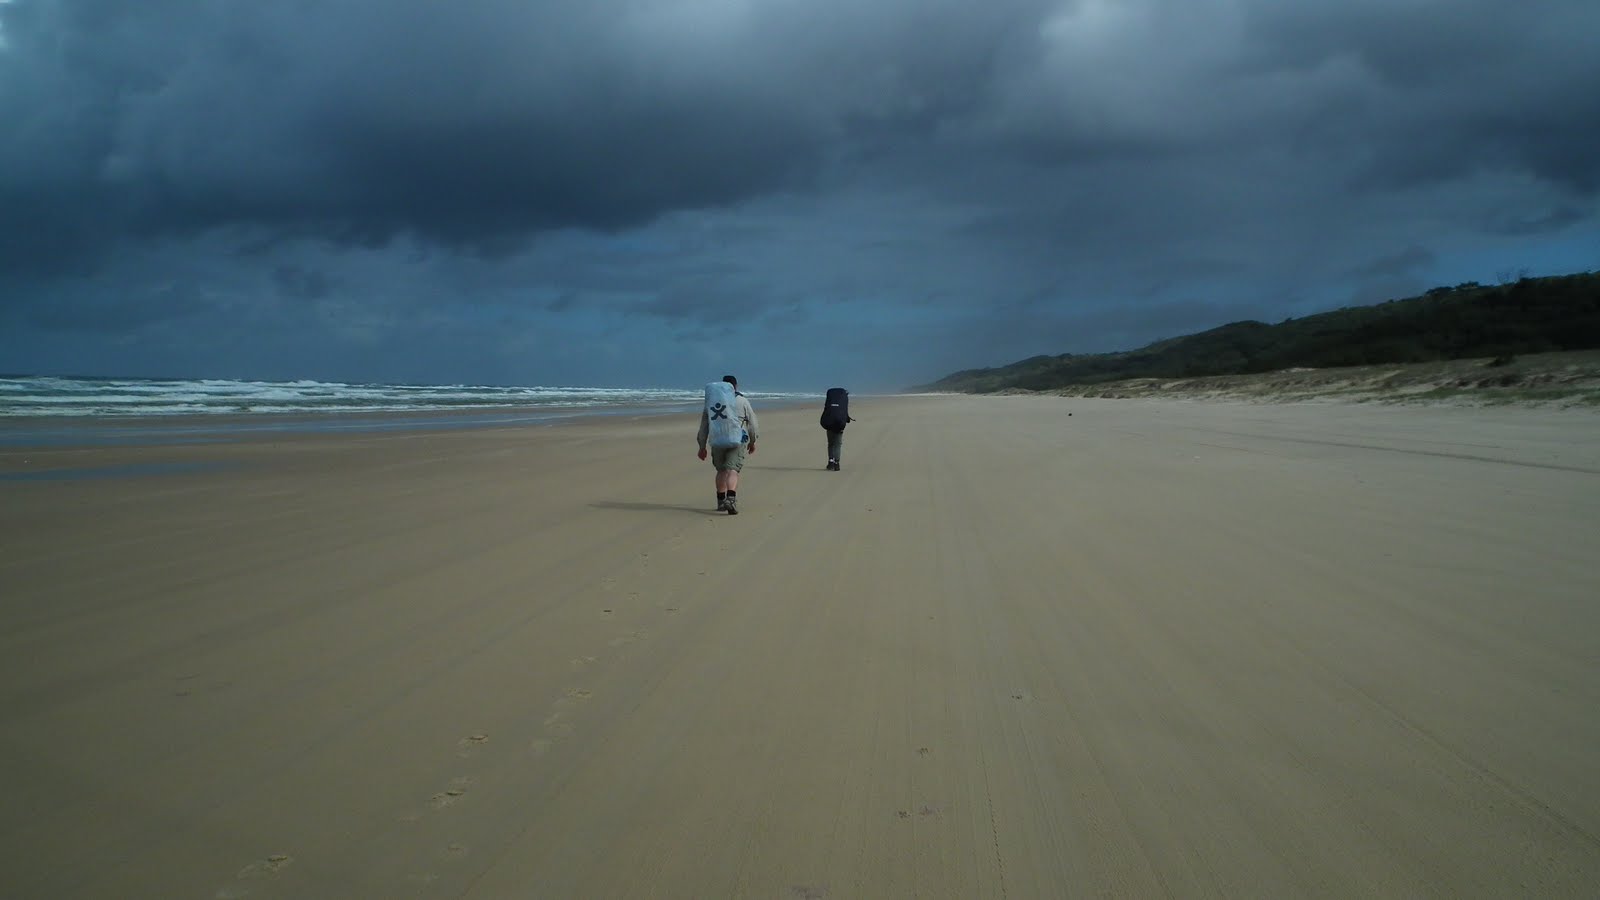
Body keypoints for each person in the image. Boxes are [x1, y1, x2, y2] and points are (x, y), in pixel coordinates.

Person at [697, 375, 759, 514]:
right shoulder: (742, 401)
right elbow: (753, 424)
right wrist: (753, 441)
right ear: (735, 386)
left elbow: (704, 425)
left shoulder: (712, 402)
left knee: (721, 471)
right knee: (732, 470)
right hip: (737, 440)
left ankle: (721, 501)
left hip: (717, 439)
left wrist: (702, 446)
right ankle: (730, 499)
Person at [819, 387, 853, 470]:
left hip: (829, 423)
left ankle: (830, 462)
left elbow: (826, 410)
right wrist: (847, 420)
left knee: (831, 443)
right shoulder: (843, 401)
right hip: (839, 424)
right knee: (838, 444)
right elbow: (845, 413)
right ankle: (837, 463)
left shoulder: (831, 400)